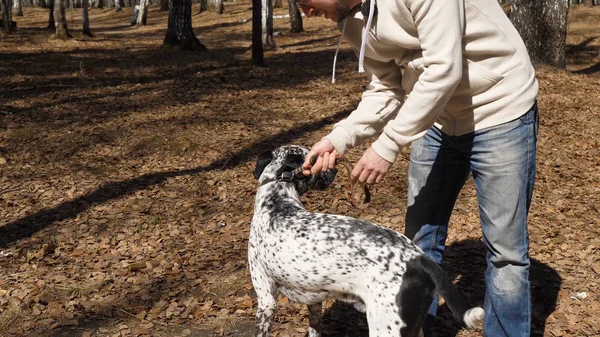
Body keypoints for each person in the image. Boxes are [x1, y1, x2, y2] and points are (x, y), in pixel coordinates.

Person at [299, 0, 539, 336]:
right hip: (436, 120)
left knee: (506, 255)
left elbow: (444, 70)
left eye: (303, 2)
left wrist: (388, 144)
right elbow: (386, 86)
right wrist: (340, 138)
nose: (305, 13)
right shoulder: (350, 18)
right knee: (417, 244)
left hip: (499, 109)